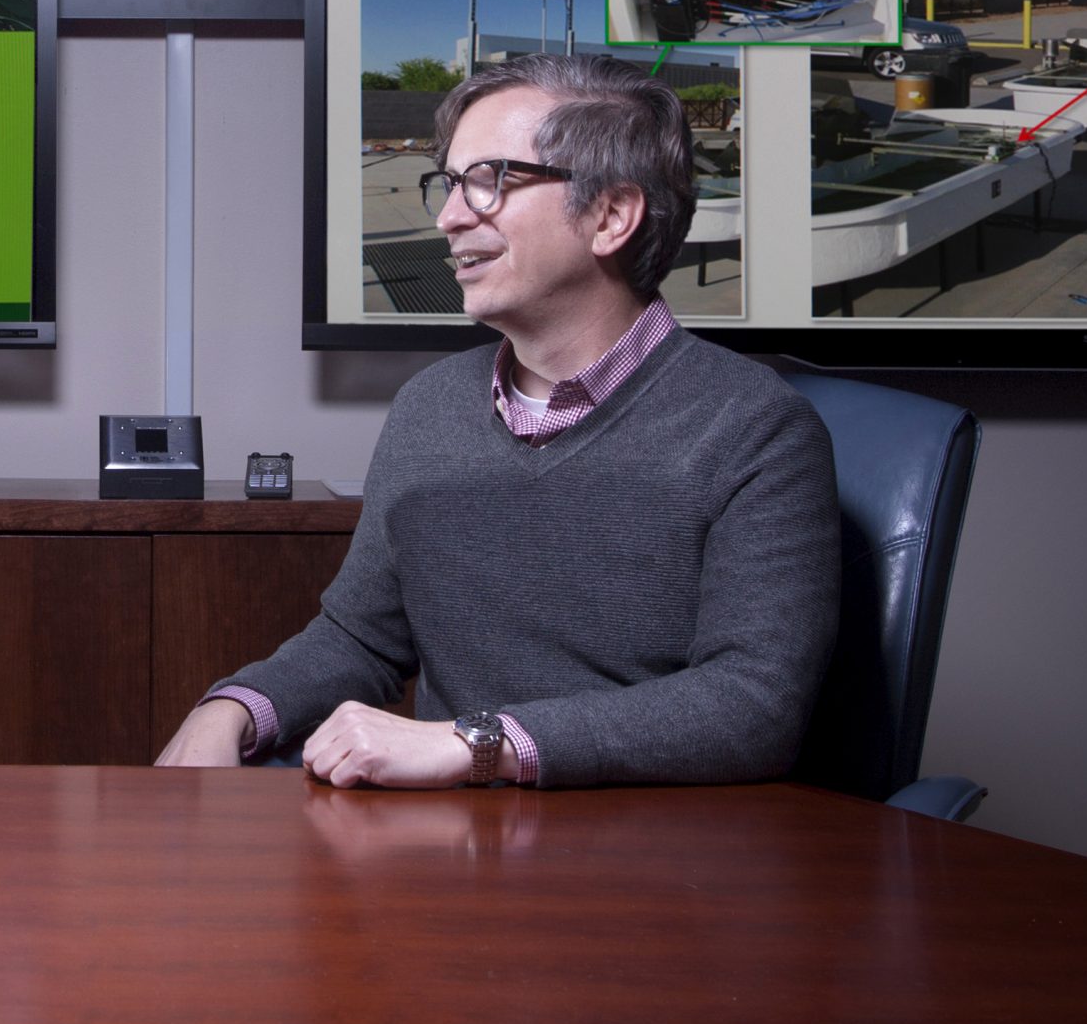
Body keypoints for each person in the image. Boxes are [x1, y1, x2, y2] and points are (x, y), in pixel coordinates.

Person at [157, 52, 836, 789]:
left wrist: (477, 741)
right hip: (459, 852)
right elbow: (360, 638)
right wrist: (230, 707)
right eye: (448, 184)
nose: (450, 217)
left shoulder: (758, 427)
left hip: (666, 863)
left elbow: (754, 705)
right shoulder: (429, 408)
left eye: (490, 181)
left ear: (610, 215)